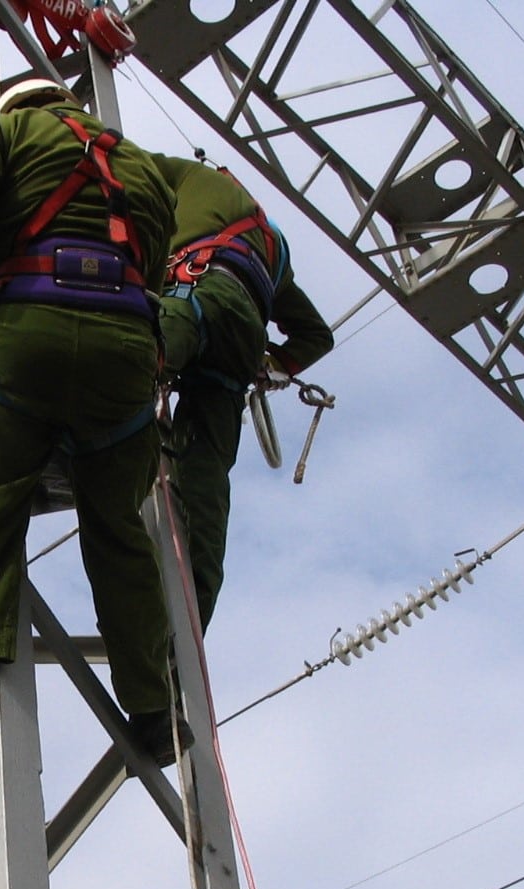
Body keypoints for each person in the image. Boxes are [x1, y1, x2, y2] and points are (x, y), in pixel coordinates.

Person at [0, 78, 188, 766]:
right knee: (117, 524)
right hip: (125, 353)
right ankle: (152, 710)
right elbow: (156, 256)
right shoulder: (141, 164)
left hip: (28, 335)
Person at [151, 154, 334, 629]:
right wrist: (273, 365)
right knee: (206, 485)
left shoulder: (187, 177)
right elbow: (317, 335)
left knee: (135, 363)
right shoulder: (275, 249)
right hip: (239, 342)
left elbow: (114, 165)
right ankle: (192, 619)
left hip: (195, 294)